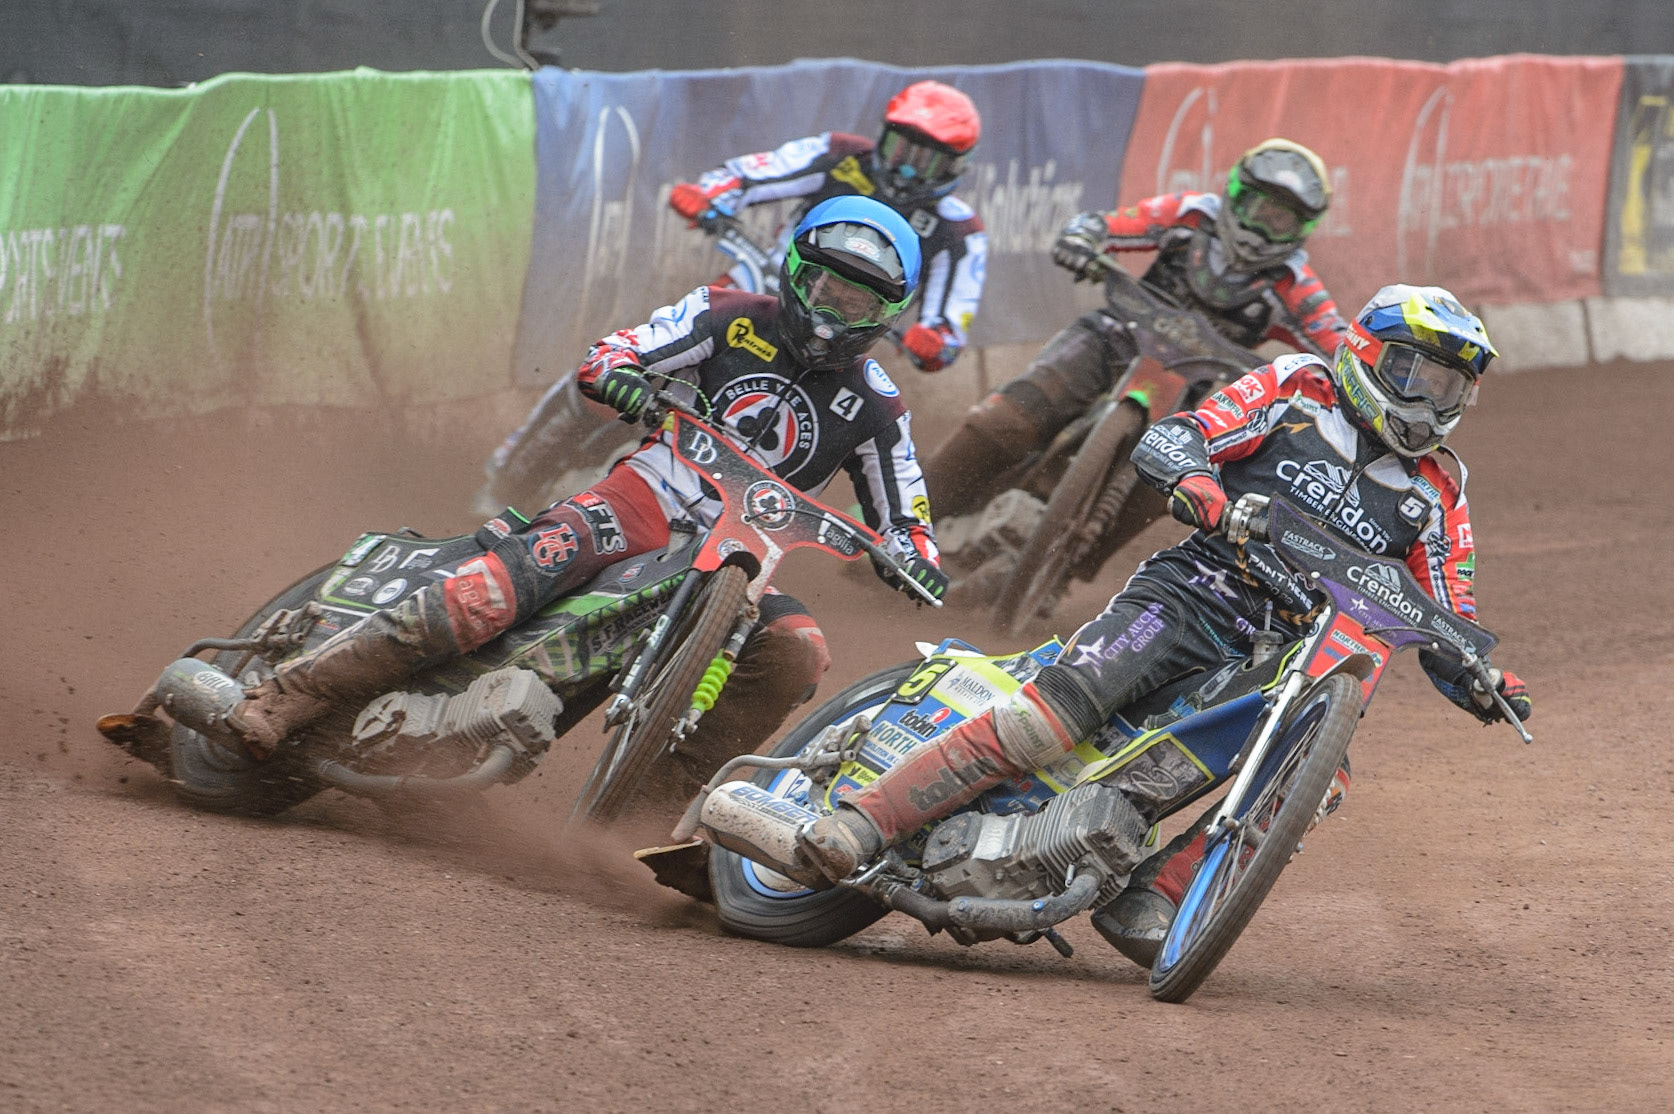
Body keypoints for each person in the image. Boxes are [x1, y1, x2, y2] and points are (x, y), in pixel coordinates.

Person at [789, 283, 1533, 965]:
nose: (1430, 402)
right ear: (1369, 354)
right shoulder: (1296, 387)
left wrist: (1482, 675)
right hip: (1193, 597)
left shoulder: (1438, 489)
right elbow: (1181, 438)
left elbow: (1444, 613)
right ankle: (867, 820)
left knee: (1318, 777)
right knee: (1049, 721)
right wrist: (1206, 491)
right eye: (1416, 375)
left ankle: (1160, 895)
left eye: (1449, 386)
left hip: (1289, 656)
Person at [231, 197, 949, 814]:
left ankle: (653, 809)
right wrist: (622, 376)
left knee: (799, 653)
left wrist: (915, 555)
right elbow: (618, 351)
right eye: (825, 285)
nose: (834, 309)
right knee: (509, 582)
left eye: (856, 300)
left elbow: (909, 513)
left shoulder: (879, 408)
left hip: (743, 557)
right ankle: (289, 693)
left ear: (886, 313)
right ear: (797, 272)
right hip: (645, 502)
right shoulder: (724, 315)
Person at [476, 80, 987, 515]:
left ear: (953, 167)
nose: (905, 170)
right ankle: (514, 458)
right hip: (752, 297)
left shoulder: (959, 230)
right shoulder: (840, 157)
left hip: (836, 343)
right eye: (900, 149)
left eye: (926, 161)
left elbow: (950, 324)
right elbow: (753, 172)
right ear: (882, 136)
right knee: (625, 357)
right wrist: (712, 194)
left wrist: (935, 340)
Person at [924, 137, 1350, 520]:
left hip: (1194, 386)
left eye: (1280, 221)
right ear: (1235, 194)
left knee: (1180, 475)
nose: (1262, 229)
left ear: (1303, 230)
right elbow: (1115, 224)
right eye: (1258, 209)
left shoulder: (1295, 286)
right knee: (1005, 420)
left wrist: (1352, 380)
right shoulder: (1190, 217)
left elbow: (1340, 344)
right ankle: (911, 513)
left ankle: (1074, 566)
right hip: (1113, 338)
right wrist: (1082, 238)